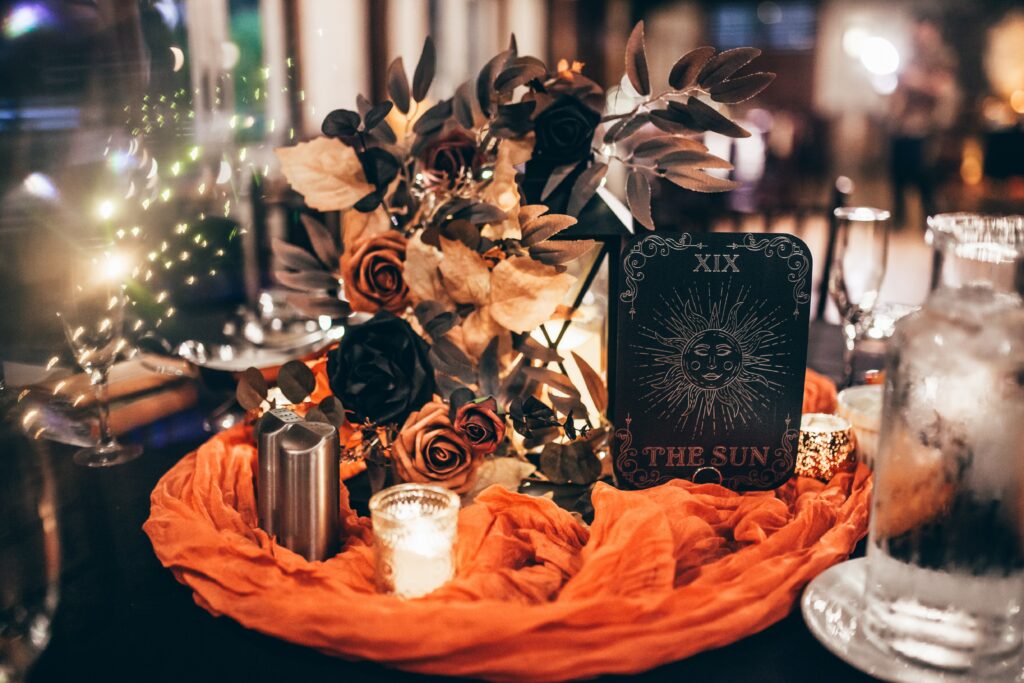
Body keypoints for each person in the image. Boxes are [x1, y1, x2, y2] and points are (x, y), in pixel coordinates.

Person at [888, 17, 960, 229]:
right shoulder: (909, 57)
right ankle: (899, 225)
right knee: (898, 177)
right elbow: (897, 91)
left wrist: (917, 82)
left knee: (925, 180)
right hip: (902, 128)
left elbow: (944, 91)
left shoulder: (943, 59)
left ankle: (932, 227)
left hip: (928, 129)